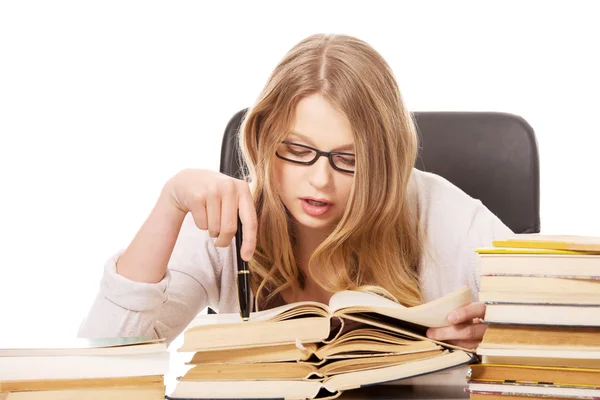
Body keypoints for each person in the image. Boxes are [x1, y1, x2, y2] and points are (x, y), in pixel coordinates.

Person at [78, 33, 512, 351]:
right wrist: (168, 206)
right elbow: (107, 356)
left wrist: (508, 342)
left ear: (385, 159)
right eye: (298, 149)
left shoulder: (441, 212)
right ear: (265, 138)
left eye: (350, 159)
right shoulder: (232, 217)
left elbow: (564, 328)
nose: (320, 179)